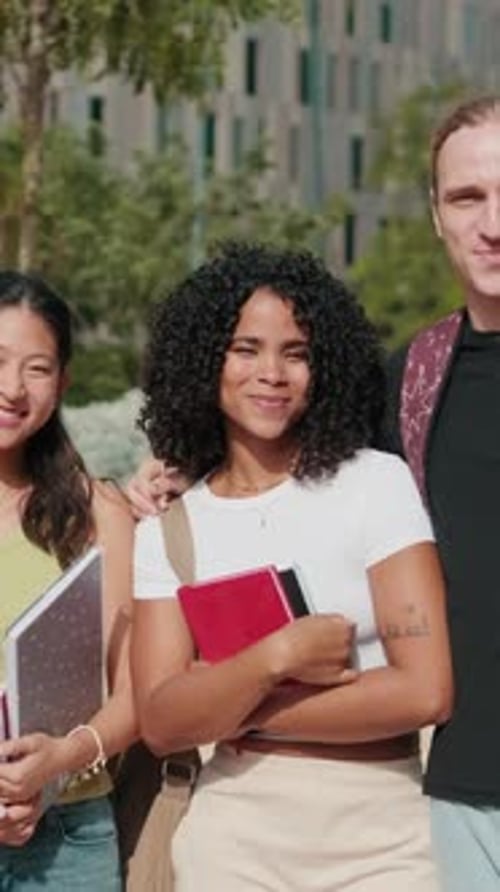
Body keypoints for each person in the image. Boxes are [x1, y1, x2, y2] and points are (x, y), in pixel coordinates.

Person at [131, 241, 452, 891]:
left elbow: (425, 691)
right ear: (204, 360)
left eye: (296, 352)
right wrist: (271, 658)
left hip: (385, 840)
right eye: (246, 349)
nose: (271, 373)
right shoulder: (171, 530)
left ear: (325, 364)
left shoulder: (375, 484)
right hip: (234, 841)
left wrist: (225, 698)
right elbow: (162, 724)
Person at [379, 95, 500, 892]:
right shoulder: (406, 382)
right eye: (469, 197)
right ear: (436, 215)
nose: (494, 223)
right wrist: (162, 487)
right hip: (465, 799)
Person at [0, 271, 136, 889]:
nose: (12, 389)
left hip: (65, 839)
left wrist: (60, 760)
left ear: (64, 382)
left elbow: (134, 697)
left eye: (37, 368)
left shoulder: (97, 514)